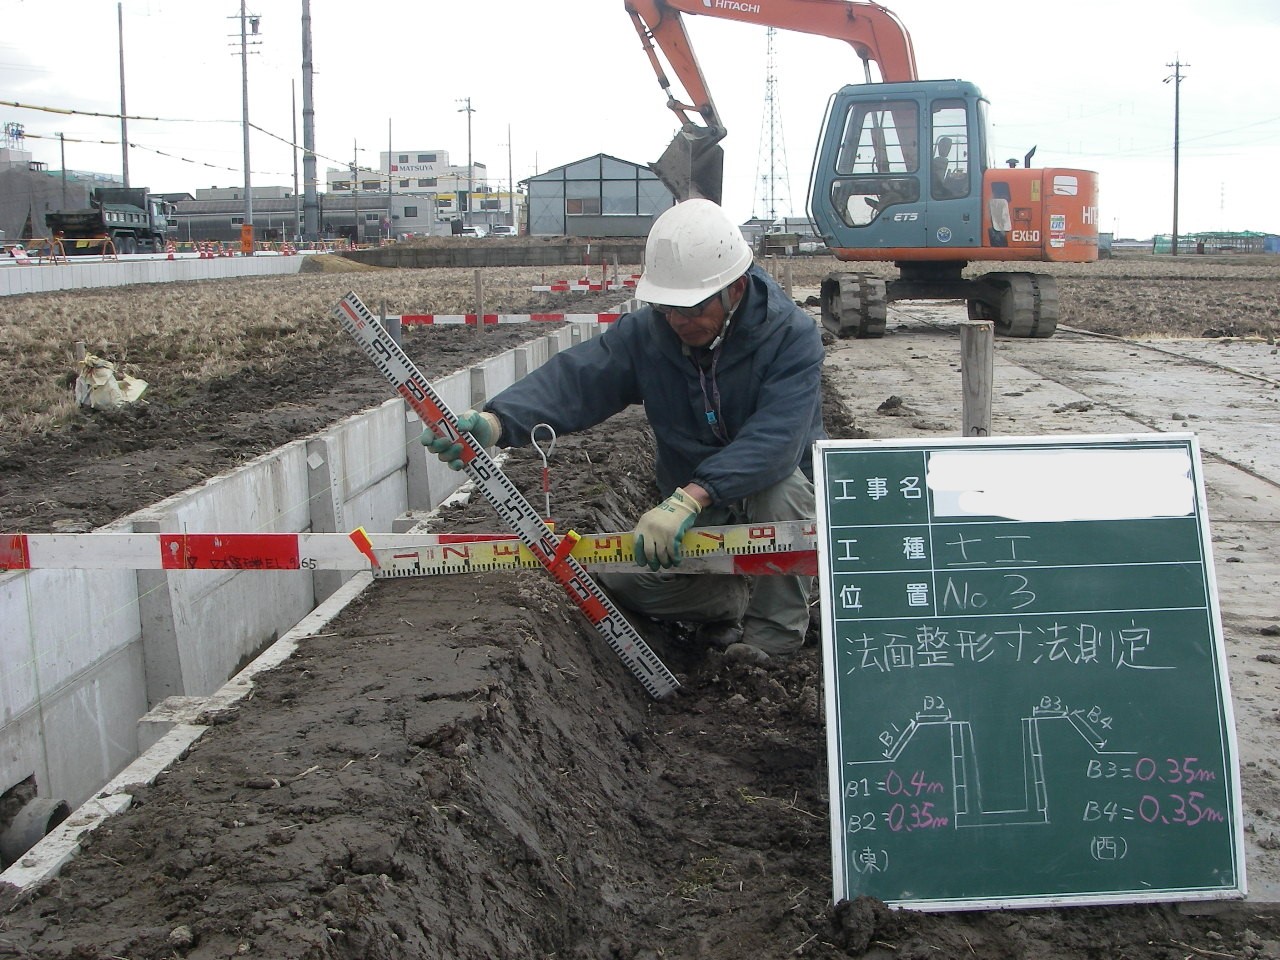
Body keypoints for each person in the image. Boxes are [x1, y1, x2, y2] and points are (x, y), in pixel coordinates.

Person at [425, 198, 826, 664]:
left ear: (734, 290)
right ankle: (727, 600)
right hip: (692, 503)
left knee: (781, 493)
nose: (678, 321)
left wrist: (691, 497)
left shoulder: (790, 336)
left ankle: (771, 640)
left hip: (762, 490)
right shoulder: (651, 333)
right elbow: (579, 379)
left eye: (692, 308)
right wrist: (497, 422)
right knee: (619, 580)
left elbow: (776, 441)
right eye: (666, 307)